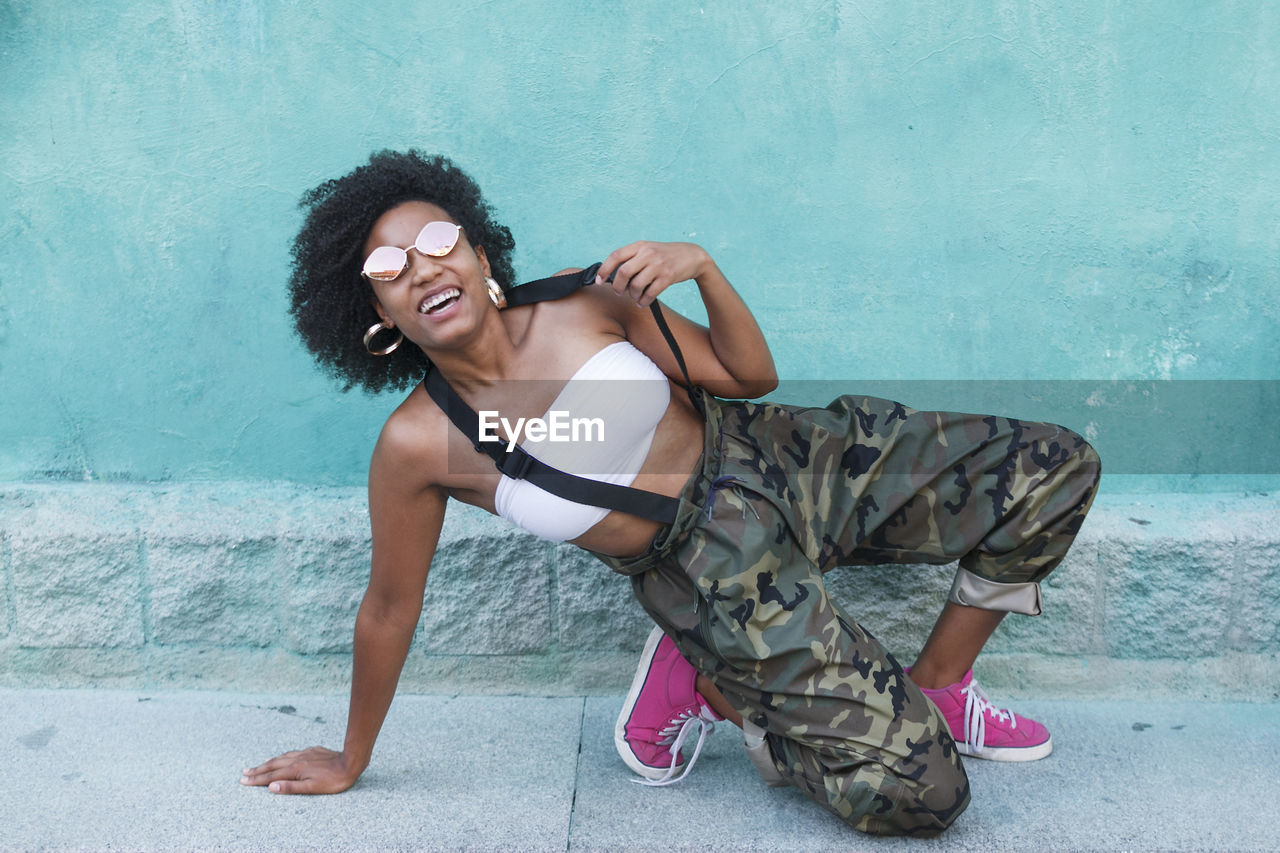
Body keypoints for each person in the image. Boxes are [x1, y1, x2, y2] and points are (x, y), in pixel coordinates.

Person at [241, 150, 1100, 837]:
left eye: (436, 240)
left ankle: (943, 682)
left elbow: (749, 375)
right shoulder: (419, 446)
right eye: (388, 267)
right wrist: (352, 755)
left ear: (476, 250)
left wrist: (703, 268)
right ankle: (715, 689)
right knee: (924, 793)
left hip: (777, 455)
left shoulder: (588, 300)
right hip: (707, 572)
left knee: (1054, 468)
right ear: (377, 314)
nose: (421, 268)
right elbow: (389, 609)